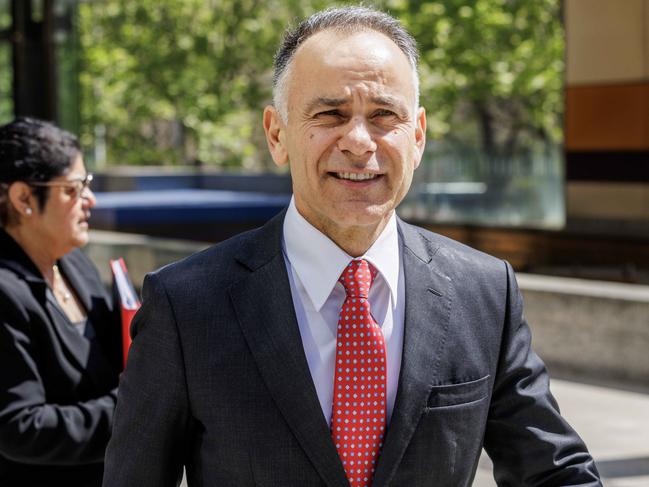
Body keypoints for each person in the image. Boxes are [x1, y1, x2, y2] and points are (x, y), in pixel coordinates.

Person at [104, 6, 601, 486]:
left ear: (419, 136)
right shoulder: (186, 305)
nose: (360, 141)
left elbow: (554, 470)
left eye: (385, 114)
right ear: (277, 134)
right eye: (330, 114)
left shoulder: (484, 292)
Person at [0, 118, 121, 486]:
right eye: (73, 189)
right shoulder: (5, 292)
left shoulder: (74, 263)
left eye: (87, 184)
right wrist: (133, 409)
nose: (90, 199)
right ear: (23, 198)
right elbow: (20, 428)